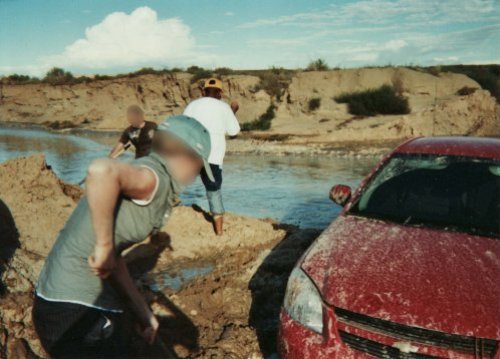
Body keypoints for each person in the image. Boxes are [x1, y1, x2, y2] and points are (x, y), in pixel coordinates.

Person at [32, 115, 215, 358]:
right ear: (185, 157)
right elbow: (101, 170)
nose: (196, 177)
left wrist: (143, 311)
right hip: (73, 310)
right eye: (199, 167)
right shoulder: (152, 178)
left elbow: (115, 258)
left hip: (59, 304)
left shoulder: (152, 174)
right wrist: (104, 245)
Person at [183, 78, 240, 235]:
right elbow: (234, 132)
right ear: (220, 93)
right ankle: (219, 232)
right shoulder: (223, 107)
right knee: (213, 189)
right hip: (213, 156)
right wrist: (233, 111)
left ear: (203, 92)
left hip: (192, 152)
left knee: (178, 181)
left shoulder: (192, 105)